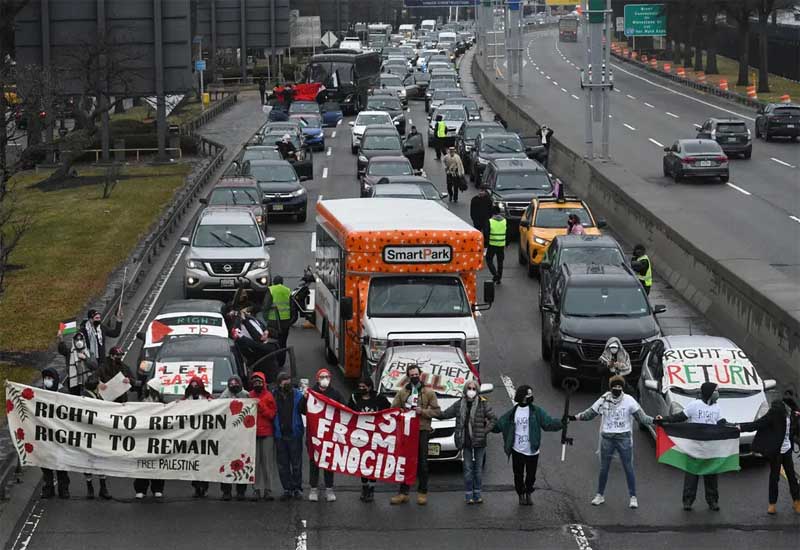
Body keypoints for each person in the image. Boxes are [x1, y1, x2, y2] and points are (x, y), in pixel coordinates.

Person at [568, 375, 654, 509]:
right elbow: (590, 413)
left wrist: (655, 421)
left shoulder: (629, 400)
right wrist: (574, 417)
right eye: (615, 387)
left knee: (628, 467)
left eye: (620, 387)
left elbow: (641, 418)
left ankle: (633, 497)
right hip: (607, 438)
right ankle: (599, 495)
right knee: (604, 468)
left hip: (624, 438)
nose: (617, 389)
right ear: (610, 388)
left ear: (623, 388)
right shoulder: (604, 399)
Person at [655, 382, 726, 511]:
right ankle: (688, 501)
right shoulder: (694, 405)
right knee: (692, 475)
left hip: (710, 447)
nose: (718, 393)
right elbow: (680, 417)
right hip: (695, 446)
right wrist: (664, 419)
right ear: (710, 392)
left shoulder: (717, 408)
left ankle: (712, 501)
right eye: (716, 390)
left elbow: (721, 422)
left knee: (711, 475)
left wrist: (734, 427)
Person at [491, 385, 563, 505]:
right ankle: (521, 494)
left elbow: (548, 423)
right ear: (522, 396)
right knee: (518, 475)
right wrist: (486, 425)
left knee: (531, 476)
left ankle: (529, 492)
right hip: (517, 450)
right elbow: (499, 425)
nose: (531, 396)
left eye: (531, 394)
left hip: (532, 451)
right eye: (528, 394)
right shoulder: (513, 413)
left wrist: (562, 423)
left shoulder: (536, 411)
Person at [737, 391, 800, 515]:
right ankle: (772, 504)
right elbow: (757, 424)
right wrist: (741, 427)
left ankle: (796, 501)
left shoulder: (792, 414)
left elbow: (794, 430)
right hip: (776, 451)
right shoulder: (775, 413)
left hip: (786, 450)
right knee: (775, 477)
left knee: (791, 477)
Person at [438, 380, 496, 504]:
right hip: (465, 442)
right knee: (468, 469)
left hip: (479, 442)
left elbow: (493, 419)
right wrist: (428, 412)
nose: (471, 391)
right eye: (469, 388)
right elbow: (444, 414)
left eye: (474, 389)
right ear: (465, 390)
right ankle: (468, 495)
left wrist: (484, 431)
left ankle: (478, 494)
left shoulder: (483, 404)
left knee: (478, 470)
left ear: (477, 391)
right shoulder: (459, 404)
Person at [390, 364, 440, 505]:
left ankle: (422, 492)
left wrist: (422, 412)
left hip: (422, 430)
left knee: (423, 463)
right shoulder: (402, 393)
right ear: (408, 376)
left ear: (420, 374)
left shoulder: (429, 392)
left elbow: (437, 411)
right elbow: (393, 409)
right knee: (405, 462)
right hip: (406, 431)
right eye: (411, 375)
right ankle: (403, 493)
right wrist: (402, 412)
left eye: (416, 374)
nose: (414, 377)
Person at [301, 368, 344, 502]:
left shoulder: (335, 394)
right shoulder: (311, 393)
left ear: (330, 378)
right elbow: (301, 410)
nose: (324, 379)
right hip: (314, 434)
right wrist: (304, 399)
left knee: (328, 462)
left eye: (327, 376)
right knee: (314, 462)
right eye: (322, 377)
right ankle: (313, 489)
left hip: (329, 434)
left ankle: (329, 489)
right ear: (317, 379)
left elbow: (344, 409)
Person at [347, 378, 391, 503]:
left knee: (372, 462)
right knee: (362, 463)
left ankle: (371, 489)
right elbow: (348, 412)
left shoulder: (379, 398)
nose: (361, 389)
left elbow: (389, 411)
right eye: (359, 387)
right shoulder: (354, 398)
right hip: (360, 436)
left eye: (364, 387)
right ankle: (364, 487)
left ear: (370, 387)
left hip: (375, 436)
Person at [218, 375, 253, 501]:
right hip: (227, 436)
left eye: (236, 383)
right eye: (231, 383)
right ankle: (226, 491)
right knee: (227, 462)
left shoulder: (247, 395)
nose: (234, 385)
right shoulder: (223, 396)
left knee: (242, 463)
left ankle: (241, 491)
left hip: (243, 436)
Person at [39, 367, 71, 499]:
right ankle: (48, 488)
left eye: (50, 378)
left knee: (61, 462)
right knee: (45, 463)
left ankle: (63, 489)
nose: (47, 381)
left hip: (60, 433)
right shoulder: (40, 392)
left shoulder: (63, 392)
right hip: (45, 433)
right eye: (45, 378)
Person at [134, 378, 166, 500]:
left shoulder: (163, 404)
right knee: (143, 462)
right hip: (144, 437)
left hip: (157, 437)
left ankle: (157, 488)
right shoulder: (142, 402)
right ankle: (141, 489)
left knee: (157, 462)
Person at [274, 372, 304, 501]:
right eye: (284, 380)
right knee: (283, 464)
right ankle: (287, 489)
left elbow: (305, 410)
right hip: (280, 435)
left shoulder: (298, 395)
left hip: (294, 434)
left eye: (288, 380)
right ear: (279, 383)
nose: (287, 382)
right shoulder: (273, 396)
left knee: (296, 464)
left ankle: (297, 488)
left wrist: (307, 397)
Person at [248, 372, 278, 502]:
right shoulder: (249, 396)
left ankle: (268, 489)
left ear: (263, 383)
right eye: (255, 382)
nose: (257, 384)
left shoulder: (269, 396)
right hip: (253, 434)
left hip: (266, 434)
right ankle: (256, 489)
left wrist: (261, 406)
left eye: (259, 382)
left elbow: (272, 415)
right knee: (255, 464)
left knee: (267, 463)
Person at [81, 375, 112, 500]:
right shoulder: (85, 398)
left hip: (99, 433)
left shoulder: (97, 396)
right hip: (88, 433)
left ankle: (102, 488)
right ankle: (90, 487)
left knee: (101, 459)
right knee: (88, 460)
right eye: (99, 382)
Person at [184, 376, 212, 498]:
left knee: (204, 463)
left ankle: (204, 487)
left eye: (197, 385)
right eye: (192, 385)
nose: (194, 388)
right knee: (193, 462)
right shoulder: (185, 400)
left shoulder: (208, 399)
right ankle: (196, 487)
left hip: (205, 436)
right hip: (191, 437)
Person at [262, 276, 292, 367]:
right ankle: (281, 362)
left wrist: (265, 319)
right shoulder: (287, 290)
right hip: (285, 321)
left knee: (272, 342)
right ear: (282, 282)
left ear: (274, 282)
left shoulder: (271, 290)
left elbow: (266, 305)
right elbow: (291, 306)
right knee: (283, 343)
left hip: (273, 321)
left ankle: (273, 362)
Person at [57, 331, 98, 396]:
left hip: (87, 382)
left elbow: (95, 366)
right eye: (77, 340)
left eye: (81, 339)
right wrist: (61, 339)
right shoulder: (69, 352)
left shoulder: (89, 353)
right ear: (74, 341)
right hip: (74, 384)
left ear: (84, 340)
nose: (79, 342)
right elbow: (62, 350)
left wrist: (85, 358)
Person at [486, 205, 507, 285]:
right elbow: (507, 232)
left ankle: (495, 274)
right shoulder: (504, 220)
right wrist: (506, 242)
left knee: (489, 259)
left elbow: (486, 233)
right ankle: (499, 278)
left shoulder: (490, 221)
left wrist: (486, 243)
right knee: (500, 261)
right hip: (501, 244)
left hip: (492, 244)